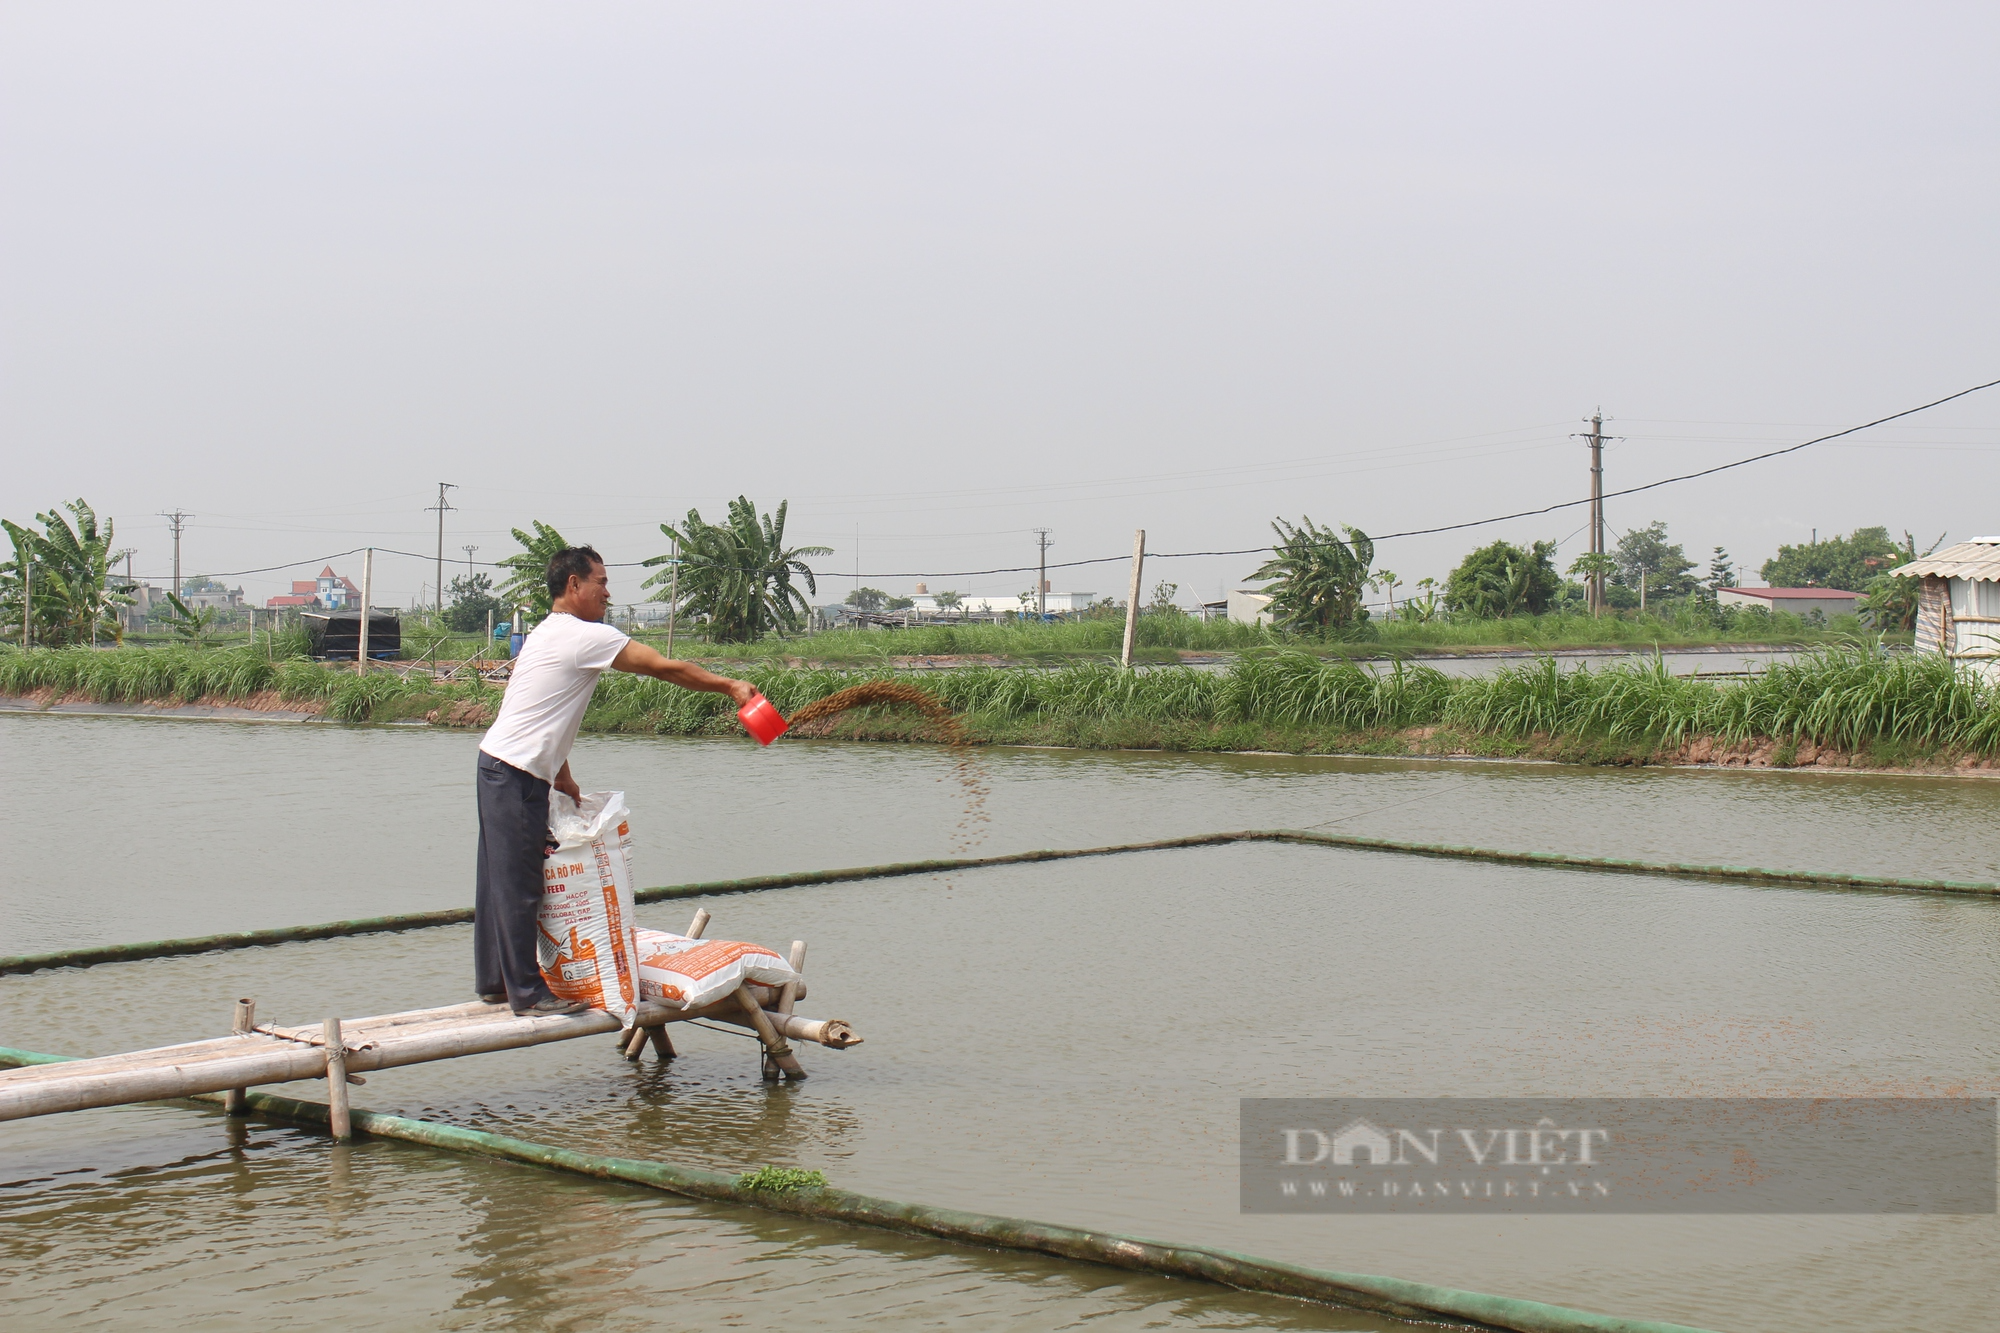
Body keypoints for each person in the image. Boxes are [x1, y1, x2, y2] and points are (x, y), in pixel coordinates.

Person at [474, 545, 756, 1014]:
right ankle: (526, 993)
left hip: (502, 764)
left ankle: (497, 982)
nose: (607, 592)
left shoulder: (549, 633)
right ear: (573, 586)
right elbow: (661, 667)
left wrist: (561, 773)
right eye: (600, 582)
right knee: (520, 884)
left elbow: (540, 710)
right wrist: (729, 686)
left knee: (499, 879)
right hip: (515, 772)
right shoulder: (585, 636)